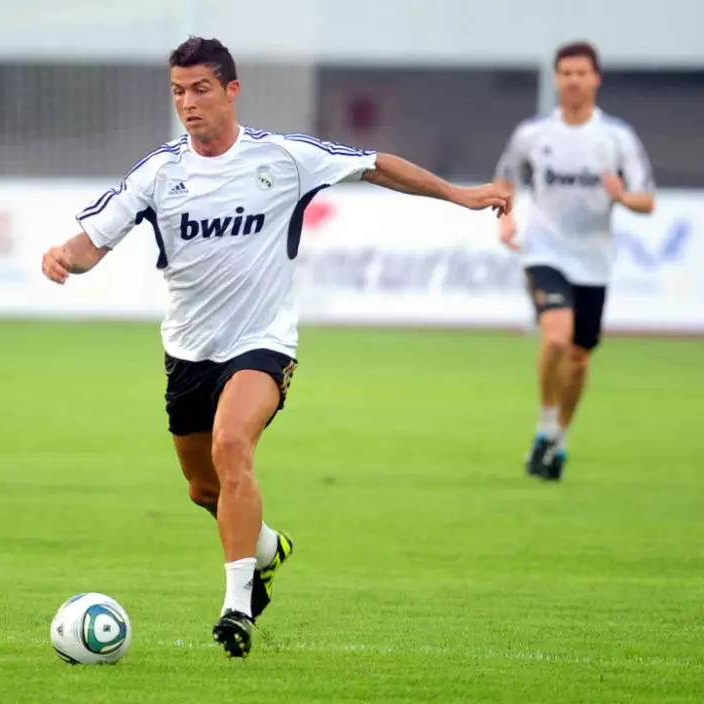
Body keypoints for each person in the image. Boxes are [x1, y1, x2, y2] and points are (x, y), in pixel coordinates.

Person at [42, 36, 510, 658]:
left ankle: (237, 607)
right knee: (204, 490)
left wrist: (459, 194)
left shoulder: (284, 158)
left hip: (262, 345)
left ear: (231, 90)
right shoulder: (159, 173)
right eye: (178, 91)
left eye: (201, 89)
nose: (188, 103)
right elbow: (93, 243)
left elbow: (376, 164)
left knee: (231, 445)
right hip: (188, 354)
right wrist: (63, 257)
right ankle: (266, 549)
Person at [494, 41, 655, 481]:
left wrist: (623, 197)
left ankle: (559, 438)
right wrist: (506, 219)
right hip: (545, 250)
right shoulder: (533, 134)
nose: (573, 81)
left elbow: (647, 199)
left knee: (580, 359)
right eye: (565, 73)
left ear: (596, 79)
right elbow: (505, 178)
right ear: (556, 78)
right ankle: (545, 427)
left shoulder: (617, 137)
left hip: (594, 260)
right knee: (556, 340)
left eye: (581, 73)